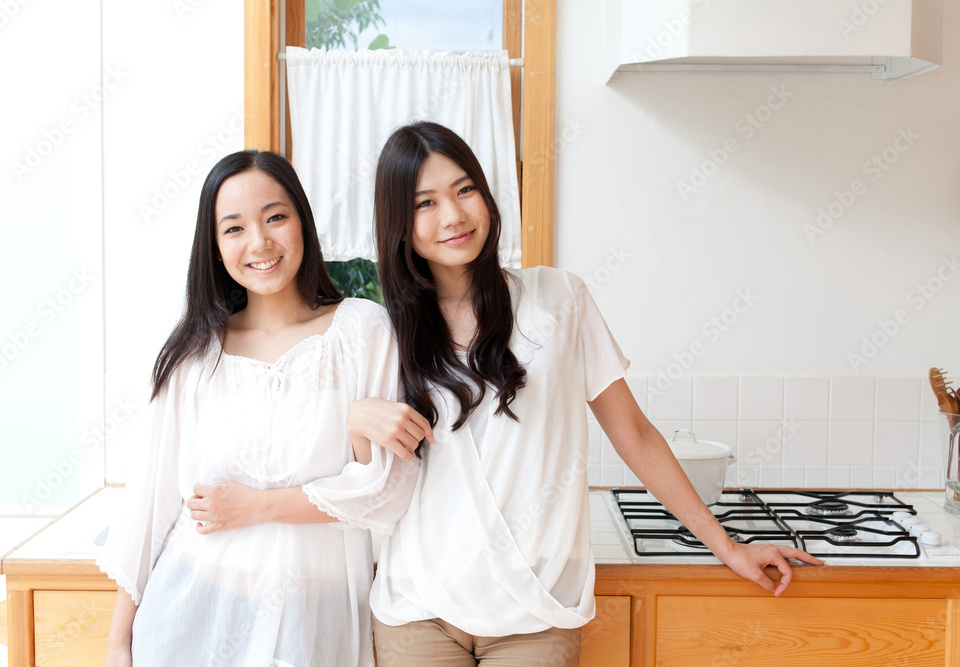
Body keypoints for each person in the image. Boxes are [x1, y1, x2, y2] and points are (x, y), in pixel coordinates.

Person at [199, 123, 824, 666]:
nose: (453, 216)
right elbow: (367, 484)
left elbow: (632, 433)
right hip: (418, 610)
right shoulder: (384, 331)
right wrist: (357, 420)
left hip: (535, 611)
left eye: (465, 189)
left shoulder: (560, 299)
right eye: (425, 203)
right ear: (400, 224)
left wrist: (725, 544)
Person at [96, 149, 419, 667]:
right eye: (234, 228)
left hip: (315, 624)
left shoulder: (361, 330)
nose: (260, 242)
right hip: (192, 613)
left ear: (303, 224)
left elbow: (385, 492)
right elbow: (151, 503)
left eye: (275, 217)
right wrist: (117, 644)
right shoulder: (195, 354)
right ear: (215, 247)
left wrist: (256, 506)